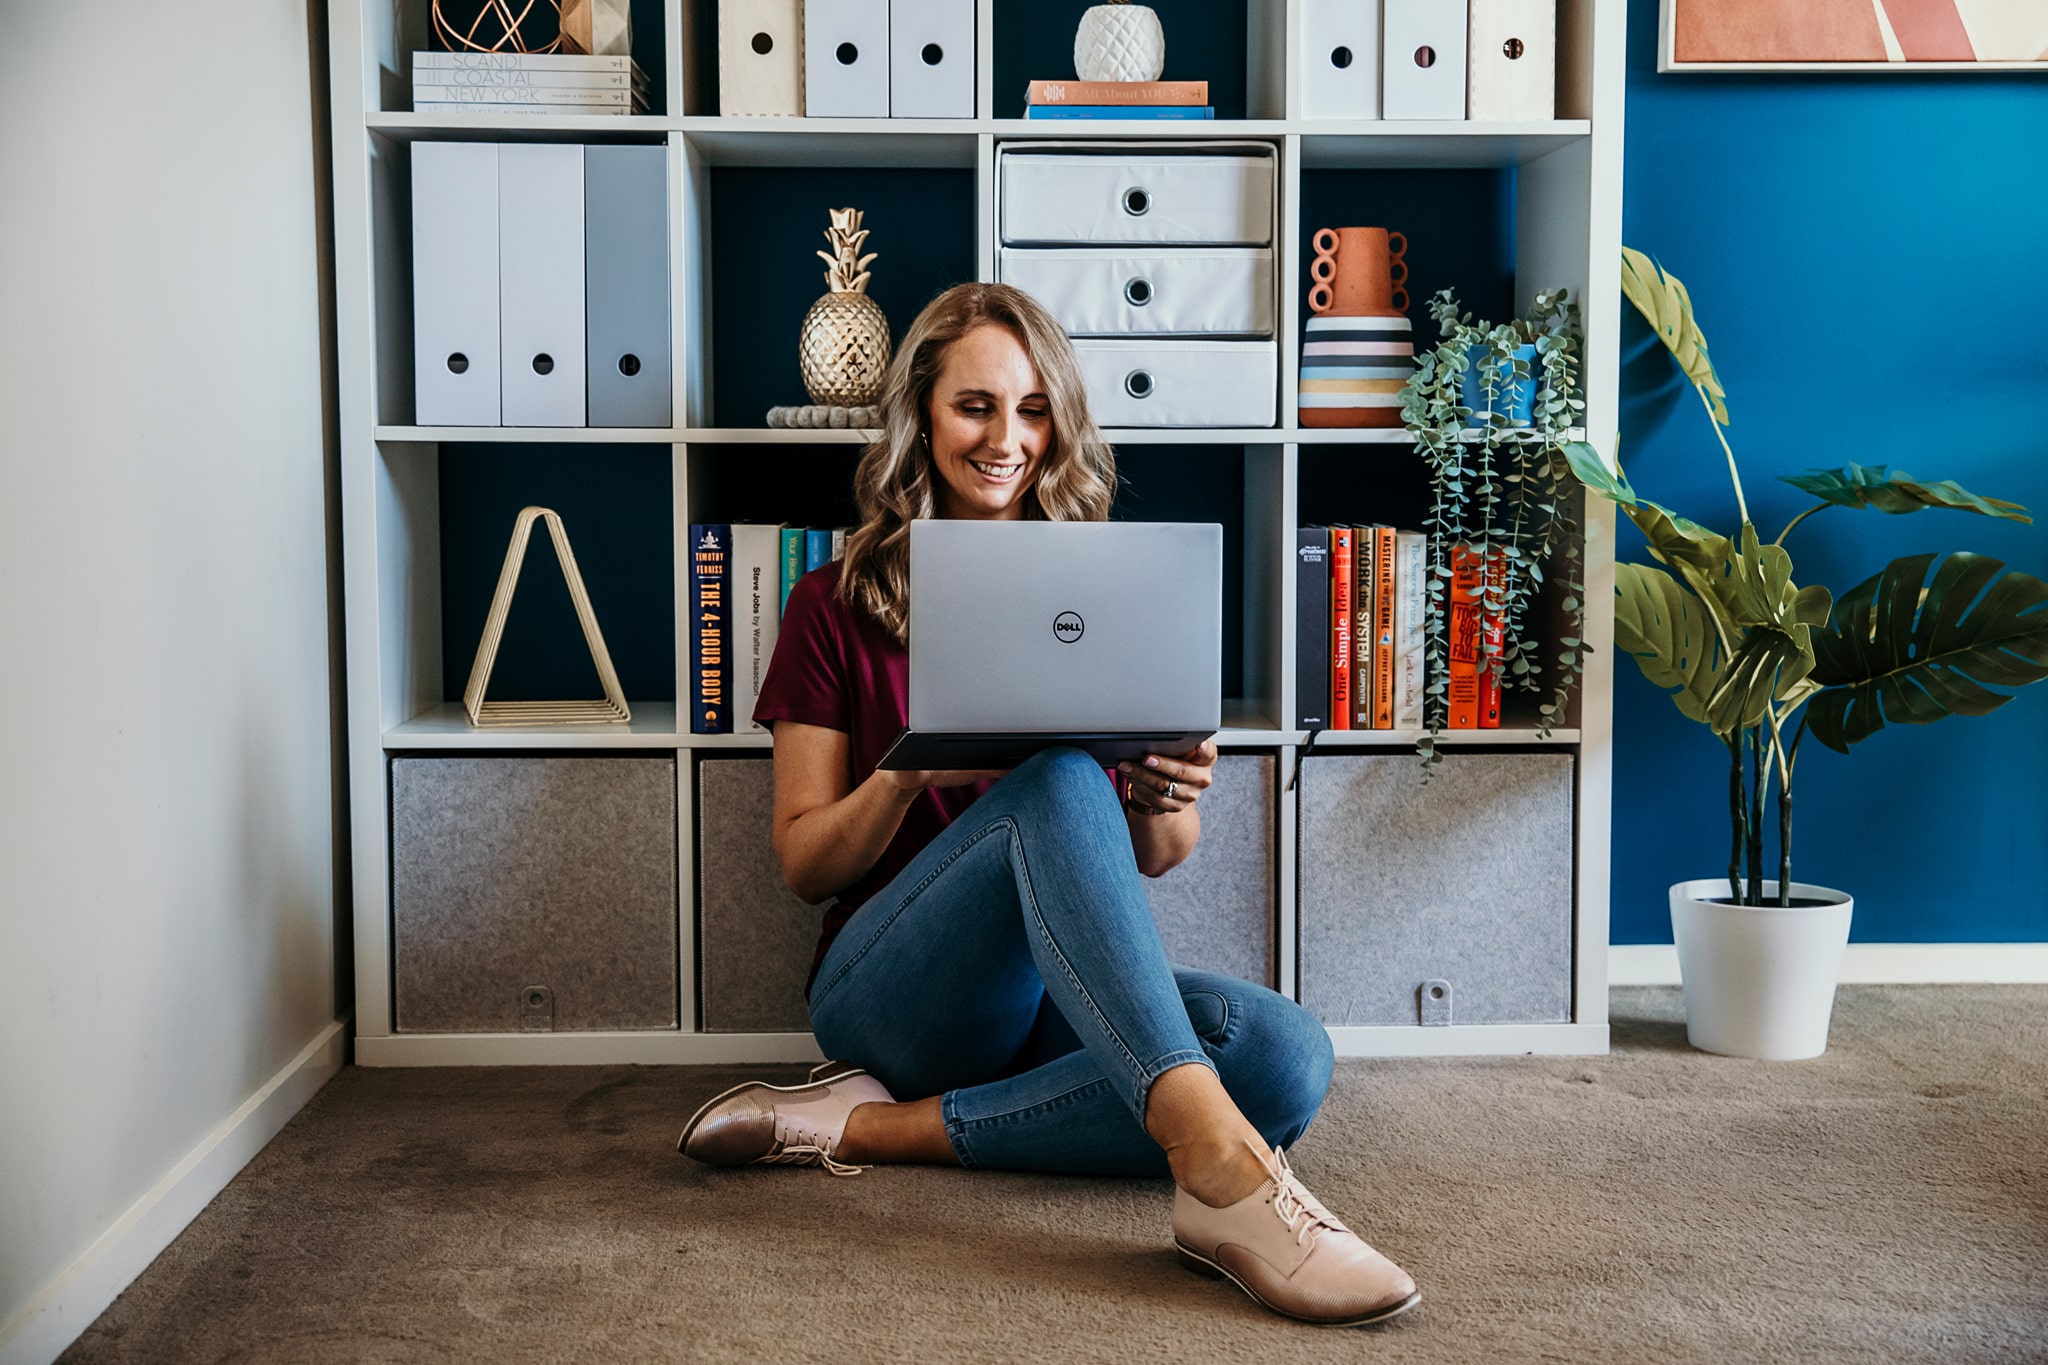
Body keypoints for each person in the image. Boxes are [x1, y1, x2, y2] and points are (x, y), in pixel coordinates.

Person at [677, 282, 1418, 1327]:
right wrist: (903, 773)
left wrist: (1168, 790)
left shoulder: (1103, 592)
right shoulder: (831, 602)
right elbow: (805, 866)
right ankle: (1219, 1173)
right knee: (1059, 782)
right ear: (921, 419)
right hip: (892, 996)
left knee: (1284, 1058)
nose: (1005, 438)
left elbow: (1159, 854)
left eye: (1032, 410)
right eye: (974, 406)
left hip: (1043, 1001)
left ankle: (872, 1130)